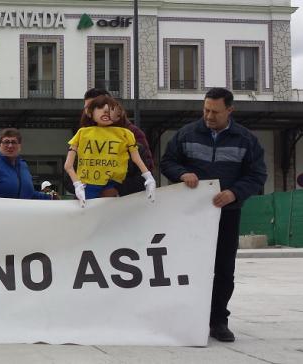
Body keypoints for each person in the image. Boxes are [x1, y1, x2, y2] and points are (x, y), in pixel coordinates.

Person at [161, 87, 267, 342]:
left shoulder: (246, 140)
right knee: (186, 266)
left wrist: (234, 193)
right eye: (206, 109)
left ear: (230, 110)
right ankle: (186, 317)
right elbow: (167, 162)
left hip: (227, 213)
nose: (209, 116)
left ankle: (218, 320)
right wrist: (181, 174)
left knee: (223, 270)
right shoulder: (185, 134)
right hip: (190, 215)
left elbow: (257, 175)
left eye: (215, 112)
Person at [64, 95, 156, 207]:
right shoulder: (83, 140)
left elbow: (141, 175)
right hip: (88, 201)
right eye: (100, 107)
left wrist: (117, 189)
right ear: (90, 113)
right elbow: (68, 174)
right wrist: (79, 186)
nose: (106, 112)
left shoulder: (130, 140)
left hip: (122, 207)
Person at [0, 128, 54, 200]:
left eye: (14, 142)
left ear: (19, 146)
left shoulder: (23, 166)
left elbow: (29, 194)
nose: (10, 146)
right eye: (6, 142)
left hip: (22, 213)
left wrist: (50, 197)